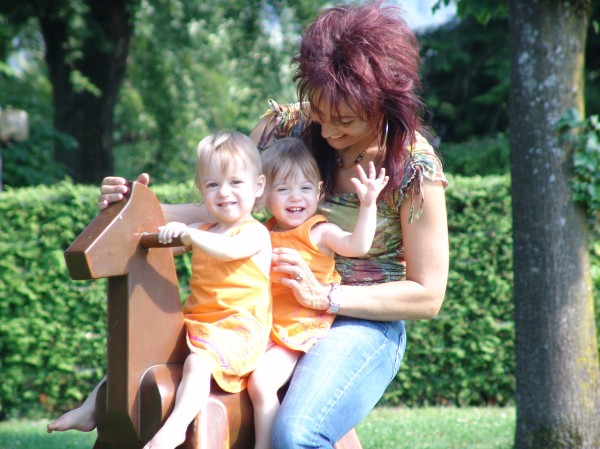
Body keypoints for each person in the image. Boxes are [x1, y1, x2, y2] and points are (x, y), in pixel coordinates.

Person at [97, 3, 449, 448]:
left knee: (296, 432)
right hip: (267, 312)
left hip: (358, 320)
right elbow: (227, 210)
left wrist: (325, 296)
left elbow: (427, 294)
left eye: (344, 120)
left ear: (385, 104)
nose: (326, 132)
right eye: (319, 112)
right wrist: (136, 207)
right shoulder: (283, 128)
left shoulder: (414, 167)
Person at [49, 131, 273, 449]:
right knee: (136, 353)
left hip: (238, 330)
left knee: (198, 362)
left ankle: (176, 427)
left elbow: (228, 251)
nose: (224, 192)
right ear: (201, 191)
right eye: (213, 185)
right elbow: (160, 246)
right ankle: (89, 410)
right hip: (199, 325)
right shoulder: (203, 230)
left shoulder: (255, 233)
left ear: (258, 186)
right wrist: (145, 226)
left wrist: (190, 236)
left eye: (235, 182)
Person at [248, 137, 387, 449]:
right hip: (266, 327)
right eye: (283, 189)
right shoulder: (260, 232)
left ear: (319, 192)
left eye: (305, 187)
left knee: (261, 384)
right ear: (263, 194)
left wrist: (368, 205)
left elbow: (358, 245)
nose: (296, 196)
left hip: (299, 328)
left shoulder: (318, 232)